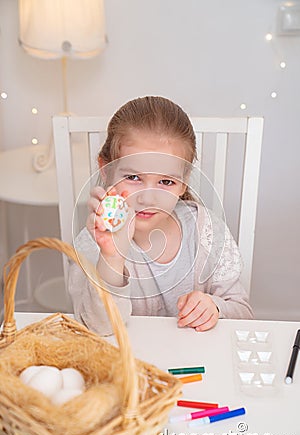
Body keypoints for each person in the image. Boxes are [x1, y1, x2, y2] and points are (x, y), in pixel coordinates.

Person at [68, 96, 253, 336]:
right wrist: (112, 258)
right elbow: (96, 329)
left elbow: (244, 313)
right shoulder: (92, 242)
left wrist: (215, 307)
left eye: (166, 181)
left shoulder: (207, 230)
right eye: (133, 178)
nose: (147, 198)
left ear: (184, 183)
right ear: (106, 169)